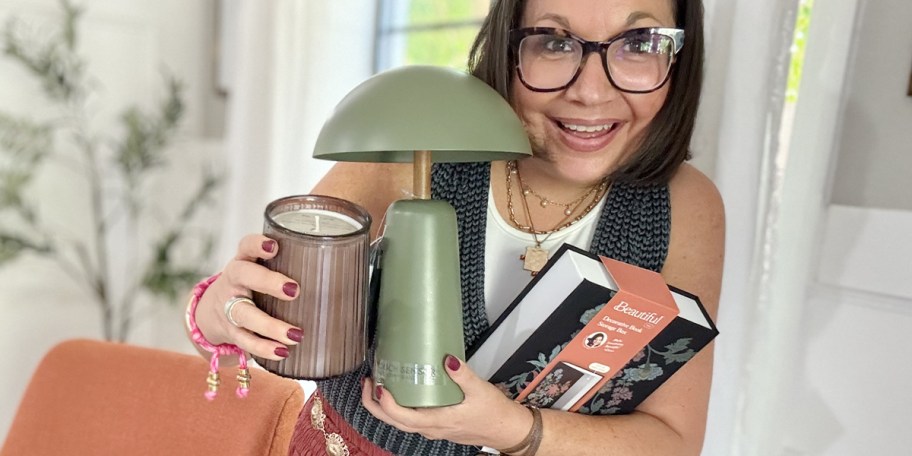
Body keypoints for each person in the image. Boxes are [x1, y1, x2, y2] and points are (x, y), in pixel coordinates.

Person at [187, 0, 723, 454]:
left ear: (681, 55)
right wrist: (220, 310)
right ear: (507, 46)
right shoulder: (415, 143)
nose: (590, 92)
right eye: (555, 42)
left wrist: (514, 429)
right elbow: (258, 305)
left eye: (638, 43)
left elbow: (670, 439)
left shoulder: (684, 207)